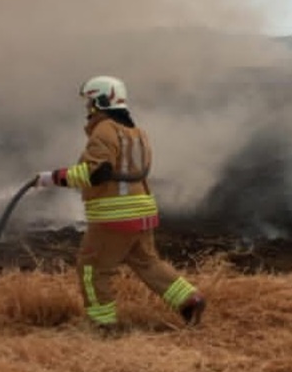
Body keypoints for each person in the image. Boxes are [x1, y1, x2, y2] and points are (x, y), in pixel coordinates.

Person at [33, 74, 206, 334]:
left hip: (114, 216)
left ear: (101, 102)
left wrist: (55, 177)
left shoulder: (105, 130)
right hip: (142, 210)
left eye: (90, 102)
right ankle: (189, 300)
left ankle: (101, 325)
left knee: (92, 269)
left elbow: (96, 173)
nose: (87, 109)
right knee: (148, 263)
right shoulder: (137, 133)